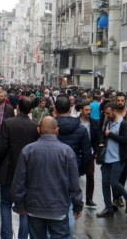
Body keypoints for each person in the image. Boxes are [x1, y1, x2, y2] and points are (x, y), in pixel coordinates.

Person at [11, 116, 83, 239]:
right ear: (57, 130)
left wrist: (19, 204)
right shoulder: (67, 151)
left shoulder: (28, 150)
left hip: (34, 208)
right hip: (58, 208)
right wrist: (77, 205)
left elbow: (19, 181)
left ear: (38, 130)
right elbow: (74, 184)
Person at [0, 97, 39, 239]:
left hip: (8, 170)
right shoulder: (35, 126)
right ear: (31, 110)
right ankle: (22, 236)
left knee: (5, 204)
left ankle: (7, 236)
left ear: (17, 108)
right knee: (25, 208)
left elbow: (1, 148)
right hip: (27, 173)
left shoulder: (8, 123)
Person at [54, 95, 90, 236]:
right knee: (69, 201)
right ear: (70, 109)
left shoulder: (50, 127)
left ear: (55, 110)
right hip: (72, 168)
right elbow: (86, 153)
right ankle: (67, 232)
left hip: (52, 169)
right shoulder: (80, 128)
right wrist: (81, 169)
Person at [96, 102, 127, 218]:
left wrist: (110, 134)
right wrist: (102, 142)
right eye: (105, 113)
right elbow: (103, 135)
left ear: (115, 111)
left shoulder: (123, 124)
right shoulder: (108, 122)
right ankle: (108, 208)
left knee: (114, 182)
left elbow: (125, 140)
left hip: (118, 158)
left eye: (108, 113)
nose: (107, 115)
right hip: (106, 158)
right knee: (105, 184)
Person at [79, 101, 99, 208]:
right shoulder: (76, 122)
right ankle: (76, 199)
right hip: (78, 152)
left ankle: (89, 198)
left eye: (90, 110)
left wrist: (96, 151)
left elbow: (97, 137)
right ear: (81, 110)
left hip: (90, 152)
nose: (88, 112)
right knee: (76, 175)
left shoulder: (94, 122)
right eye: (86, 110)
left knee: (90, 175)